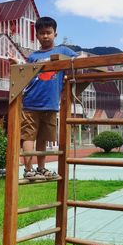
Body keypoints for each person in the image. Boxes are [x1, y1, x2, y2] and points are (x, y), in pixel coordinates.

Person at [19, 16, 78, 180]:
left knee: (44, 138)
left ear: (55, 34)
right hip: (31, 102)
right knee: (29, 136)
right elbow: (24, 75)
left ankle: (42, 168)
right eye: (41, 33)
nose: (45, 36)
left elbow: (80, 60)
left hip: (51, 104)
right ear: (36, 36)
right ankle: (29, 169)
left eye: (48, 33)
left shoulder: (63, 51)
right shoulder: (33, 57)